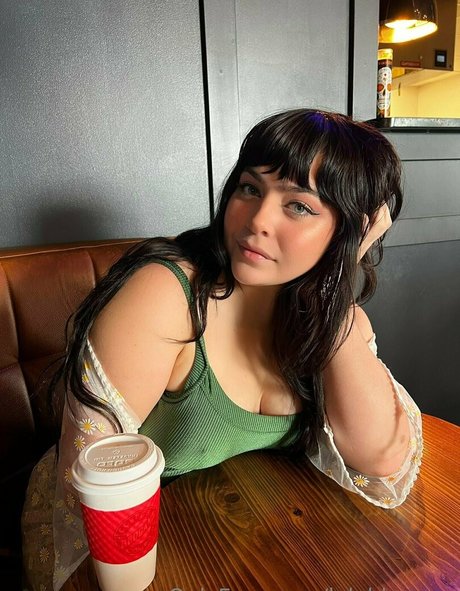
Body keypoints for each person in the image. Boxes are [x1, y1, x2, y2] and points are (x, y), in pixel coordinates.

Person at [22, 108, 423, 590]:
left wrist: (335, 291)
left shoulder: (335, 320)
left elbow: (380, 461)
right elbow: (85, 495)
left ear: (348, 232)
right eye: (250, 188)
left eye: (299, 206)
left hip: (247, 533)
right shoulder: (167, 297)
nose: (257, 220)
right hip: (124, 549)